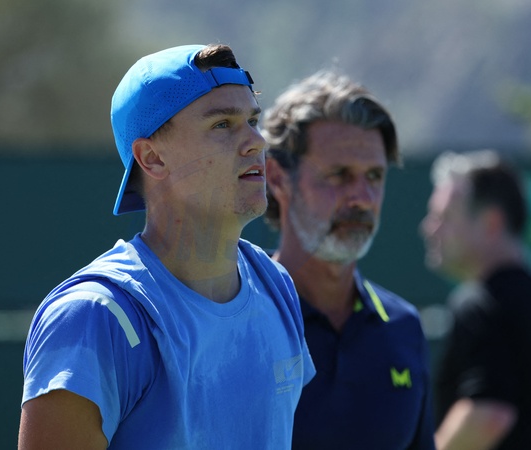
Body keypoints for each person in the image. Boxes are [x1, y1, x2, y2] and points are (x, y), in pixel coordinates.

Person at [18, 44, 316, 450]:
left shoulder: (276, 285)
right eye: (223, 125)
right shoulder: (94, 317)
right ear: (152, 158)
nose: (257, 142)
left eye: (252, 120)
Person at [262, 69, 436, 450]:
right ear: (277, 178)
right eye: (339, 174)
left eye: (374, 176)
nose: (362, 198)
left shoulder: (403, 327)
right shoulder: (235, 323)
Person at [420, 149, 531, 450]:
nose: (429, 228)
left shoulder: (480, 305)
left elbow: (488, 415)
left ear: (491, 223)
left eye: (444, 217)